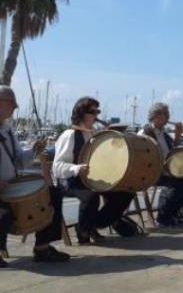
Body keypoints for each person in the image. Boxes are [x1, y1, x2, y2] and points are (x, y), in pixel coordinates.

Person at [0, 86, 69, 267]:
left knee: (53, 194)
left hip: (11, 184)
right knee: (3, 215)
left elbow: (19, 161)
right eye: (10, 105)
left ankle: (42, 247)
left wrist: (34, 150)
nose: (13, 109)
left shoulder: (7, 130)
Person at [53, 97, 135, 243]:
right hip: (70, 181)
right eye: (92, 111)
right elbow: (57, 167)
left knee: (125, 192)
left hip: (91, 179)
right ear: (81, 113)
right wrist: (75, 168)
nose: (96, 115)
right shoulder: (70, 135)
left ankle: (92, 224)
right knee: (91, 196)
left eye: (97, 111)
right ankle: (84, 231)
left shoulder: (94, 134)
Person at [142, 103, 183, 227]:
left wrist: (178, 135)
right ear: (155, 116)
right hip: (152, 172)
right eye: (165, 114)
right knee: (177, 184)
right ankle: (163, 217)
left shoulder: (163, 133)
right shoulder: (145, 133)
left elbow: (174, 151)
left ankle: (172, 212)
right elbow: (143, 157)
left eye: (167, 114)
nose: (168, 118)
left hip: (166, 170)